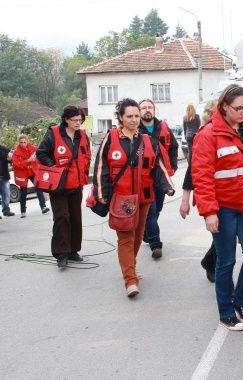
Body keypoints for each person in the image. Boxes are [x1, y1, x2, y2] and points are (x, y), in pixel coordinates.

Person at [191, 85, 243, 331]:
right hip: (222, 207)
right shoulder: (208, 134)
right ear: (224, 106)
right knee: (226, 261)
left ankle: (241, 302)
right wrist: (209, 212)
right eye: (238, 108)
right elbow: (201, 176)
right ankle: (226, 311)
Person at [94, 98, 175, 297]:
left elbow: (159, 166)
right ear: (120, 117)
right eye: (129, 116)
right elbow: (101, 166)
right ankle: (130, 280)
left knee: (138, 237)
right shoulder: (111, 138)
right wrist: (101, 192)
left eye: (136, 116)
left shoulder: (148, 140)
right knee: (125, 237)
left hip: (144, 197)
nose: (133, 120)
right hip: (121, 199)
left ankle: (130, 266)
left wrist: (168, 186)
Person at [37, 106, 91, 268]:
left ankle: (73, 250)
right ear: (66, 120)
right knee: (62, 217)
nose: (78, 123)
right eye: (75, 120)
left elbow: (87, 154)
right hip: (59, 185)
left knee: (75, 218)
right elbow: (41, 153)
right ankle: (61, 253)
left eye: (80, 120)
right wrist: (54, 167)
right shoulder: (53, 134)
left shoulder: (82, 135)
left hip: (77, 183)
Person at [180, 99, 218, 283]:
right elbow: (192, 170)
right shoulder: (204, 135)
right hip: (209, 195)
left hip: (230, 195)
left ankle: (209, 261)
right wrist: (185, 200)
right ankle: (212, 266)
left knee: (224, 236)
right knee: (221, 236)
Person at [139, 99, 179, 259]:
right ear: (139, 111)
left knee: (158, 208)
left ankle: (146, 232)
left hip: (161, 177)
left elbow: (173, 147)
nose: (147, 110)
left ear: (154, 110)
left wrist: (173, 166)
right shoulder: (135, 129)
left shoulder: (163, 127)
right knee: (151, 211)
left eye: (150, 107)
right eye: (144, 108)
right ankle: (156, 244)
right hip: (144, 178)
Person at [11, 134, 49, 218]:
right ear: (19, 142)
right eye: (21, 142)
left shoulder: (33, 148)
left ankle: (43, 206)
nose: (23, 144)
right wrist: (28, 161)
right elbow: (17, 164)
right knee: (23, 192)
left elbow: (38, 159)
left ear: (28, 141)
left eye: (25, 142)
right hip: (23, 173)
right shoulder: (16, 152)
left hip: (32, 171)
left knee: (38, 188)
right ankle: (23, 211)